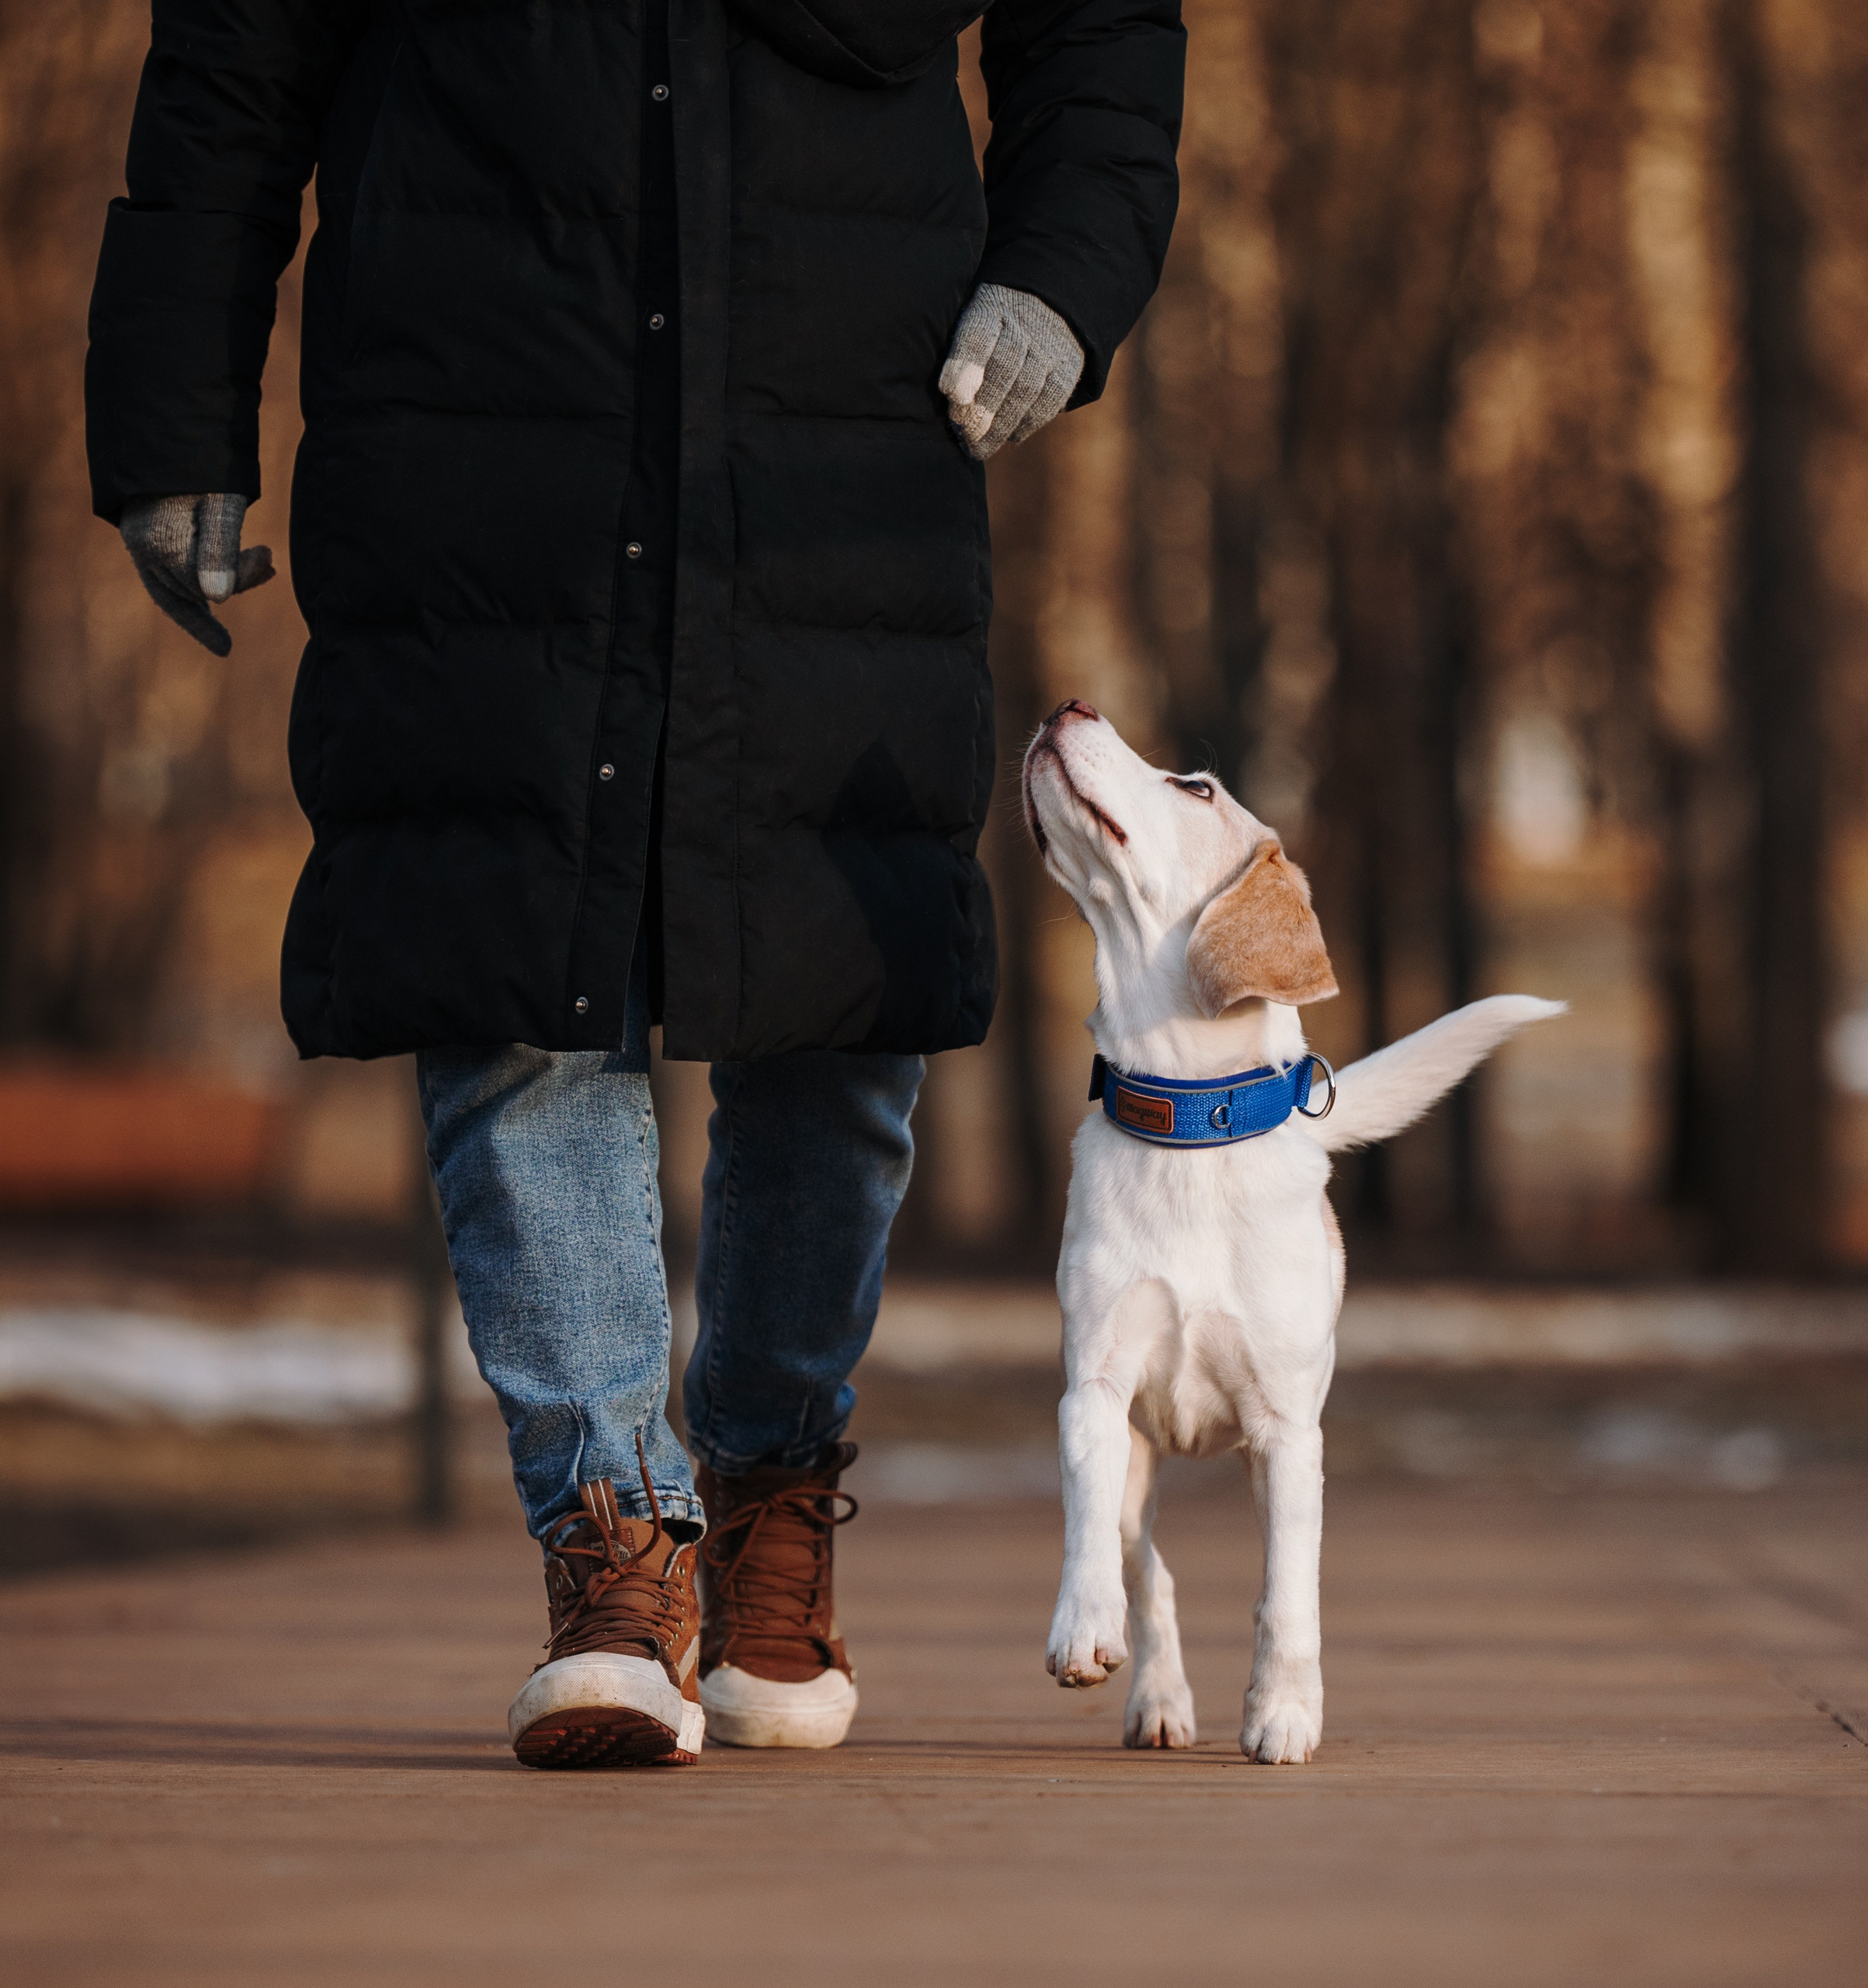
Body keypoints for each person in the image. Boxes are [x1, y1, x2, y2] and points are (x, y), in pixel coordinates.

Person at [85, 0, 1184, 1769]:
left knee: (836, 991)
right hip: (474, 415)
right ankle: (612, 1550)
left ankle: (766, 1486)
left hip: (840, 429)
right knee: (512, 971)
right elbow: (229, 59)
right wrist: (166, 418)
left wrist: (1063, 272)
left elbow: (1103, 26)